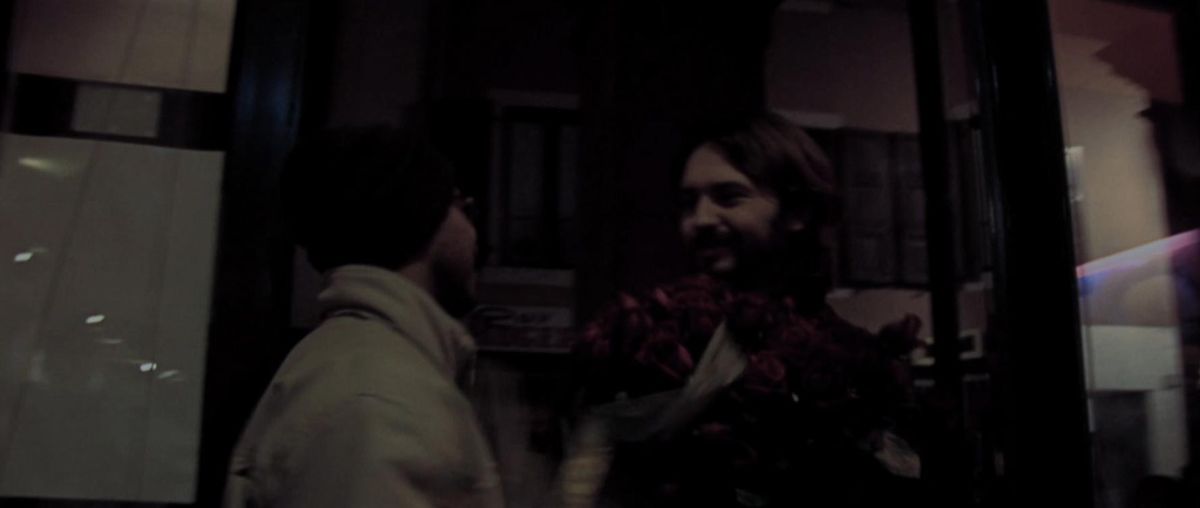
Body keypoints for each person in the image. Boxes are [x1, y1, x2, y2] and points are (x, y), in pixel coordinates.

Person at [558, 113, 923, 507]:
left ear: (797, 211)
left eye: (729, 197)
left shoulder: (850, 358)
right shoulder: (648, 330)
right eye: (688, 203)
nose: (700, 220)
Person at [224, 126, 503, 508]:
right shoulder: (378, 402)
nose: (473, 230)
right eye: (460, 206)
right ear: (417, 215)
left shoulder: (370, 371)